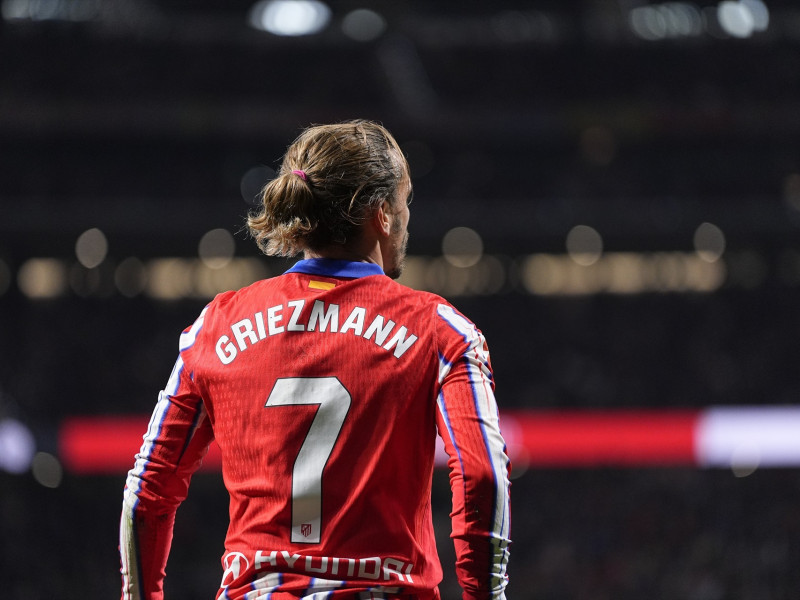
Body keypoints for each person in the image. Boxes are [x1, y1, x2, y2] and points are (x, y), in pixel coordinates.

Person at [120, 120, 511, 600]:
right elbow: (482, 473)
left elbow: (147, 490)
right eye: (406, 203)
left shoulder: (216, 326)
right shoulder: (440, 329)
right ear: (383, 213)